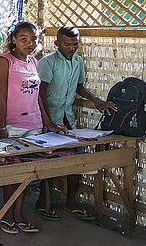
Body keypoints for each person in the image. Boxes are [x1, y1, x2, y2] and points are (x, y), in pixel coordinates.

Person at [35, 26, 116, 221]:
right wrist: (48, 121)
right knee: (48, 162)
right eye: (66, 44)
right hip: (48, 118)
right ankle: (43, 202)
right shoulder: (48, 62)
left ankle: (70, 202)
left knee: (76, 160)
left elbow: (79, 87)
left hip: (67, 119)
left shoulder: (78, 61)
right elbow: (41, 92)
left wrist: (96, 100)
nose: (71, 48)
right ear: (56, 44)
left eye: (74, 44)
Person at [0, 21, 66, 235]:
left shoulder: (34, 62)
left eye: (33, 39)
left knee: (27, 173)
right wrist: (2, 127)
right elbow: (1, 97)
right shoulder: (4, 61)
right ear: (14, 39)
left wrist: (48, 123)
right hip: (13, 126)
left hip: (33, 125)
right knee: (12, 173)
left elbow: (37, 98)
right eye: (24, 39)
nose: (29, 43)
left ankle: (19, 215)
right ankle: (7, 216)